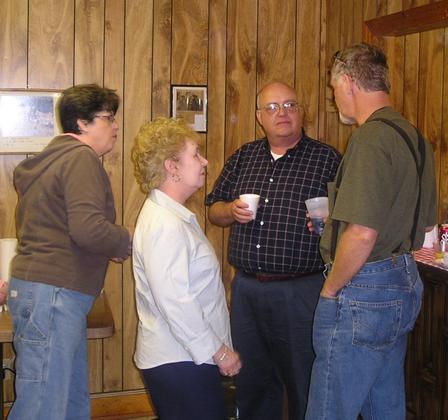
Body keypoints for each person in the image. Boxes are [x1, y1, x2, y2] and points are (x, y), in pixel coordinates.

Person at [305, 43, 437, 420]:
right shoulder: (414, 137)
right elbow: (424, 222)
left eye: (333, 90)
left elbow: (362, 234)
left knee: (330, 408)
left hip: (364, 289)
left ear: (348, 82)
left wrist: (330, 290)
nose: (335, 100)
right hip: (403, 279)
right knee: (385, 404)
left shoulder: (370, 138)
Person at [206, 81, 341, 420]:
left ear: (301, 112)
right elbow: (213, 209)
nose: (282, 113)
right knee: (252, 380)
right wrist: (230, 210)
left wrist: (329, 225)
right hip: (248, 288)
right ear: (259, 117)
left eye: (289, 105)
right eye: (272, 107)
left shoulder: (327, 159)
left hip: (301, 290)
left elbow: (350, 220)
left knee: (304, 380)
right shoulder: (244, 156)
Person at [7, 83, 132, 420]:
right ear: (82, 123)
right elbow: (88, 229)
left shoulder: (50, 161)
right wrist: (125, 241)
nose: (116, 125)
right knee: (43, 406)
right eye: (108, 118)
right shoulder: (80, 158)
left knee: (68, 401)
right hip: (54, 297)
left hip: (46, 293)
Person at [131, 117, 241, 420]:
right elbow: (176, 302)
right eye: (195, 154)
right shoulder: (164, 224)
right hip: (179, 360)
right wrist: (219, 352)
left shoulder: (172, 216)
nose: (204, 161)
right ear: (172, 166)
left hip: (186, 357)